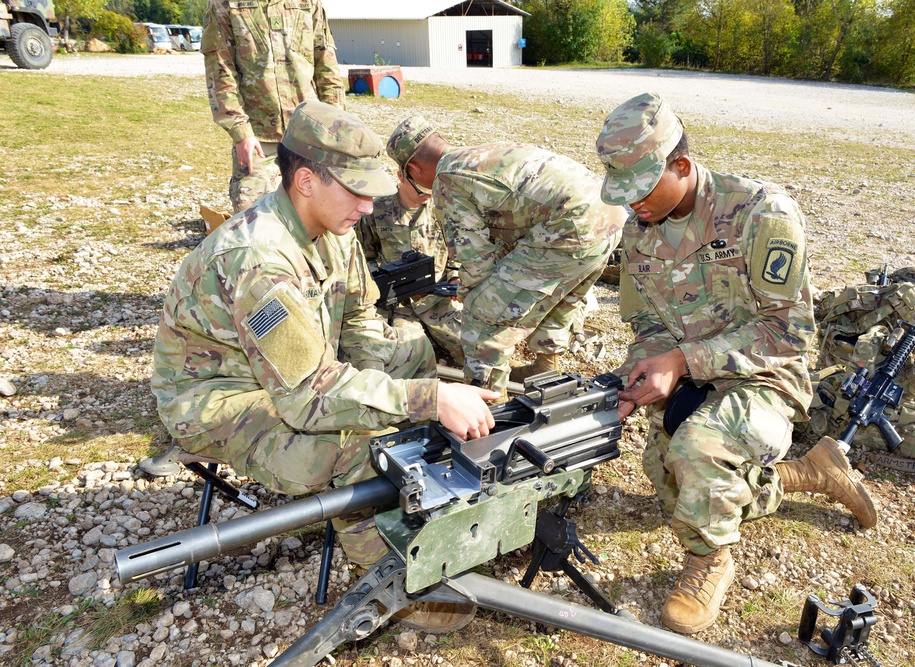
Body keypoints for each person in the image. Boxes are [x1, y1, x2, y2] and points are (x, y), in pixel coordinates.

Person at [151, 102, 496, 629]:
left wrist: (390, 381)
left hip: (295, 376)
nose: (368, 204)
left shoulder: (334, 231)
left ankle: (420, 500)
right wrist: (422, 399)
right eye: (357, 190)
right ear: (307, 181)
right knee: (361, 446)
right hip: (222, 400)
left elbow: (358, 314)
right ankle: (392, 577)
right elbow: (307, 398)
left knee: (413, 346)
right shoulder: (258, 259)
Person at [594, 93, 878, 634]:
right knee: (677, 485)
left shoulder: (760, 212)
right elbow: (647, 324)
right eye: (623, 194)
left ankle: (709, 564)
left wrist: (682, 359)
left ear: (681, 166)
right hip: (693, 373)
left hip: (767, 374)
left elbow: (787, 332)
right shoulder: (639, 231)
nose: (633, 206)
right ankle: (812, 473)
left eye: (642, 190)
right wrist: (641, 370)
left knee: (698, 453)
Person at [388, 115, 627, 394]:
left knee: (480, 313)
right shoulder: (482, 153)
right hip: (610, 216)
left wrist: (471, 294)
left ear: (414, 169)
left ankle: (488, 402)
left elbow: (475, 263)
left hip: (571, 226)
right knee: (558, 296)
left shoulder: (447, 179)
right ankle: (545, 370)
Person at [201, 0, 345, 212]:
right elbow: (221, 73)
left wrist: (334, 124)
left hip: (309, 131)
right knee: (250, 208)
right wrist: (241, 132)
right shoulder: (225, 4)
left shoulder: (308, 2)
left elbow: (327, 66)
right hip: (259, 136)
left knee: (324, 208)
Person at [356, 162, 464, 364]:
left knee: (473, 347)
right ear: (401, 176)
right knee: (407, 355)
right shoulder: (377, 211)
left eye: (431, 189)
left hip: (438, 298)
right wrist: (381, 281)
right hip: (398, 301)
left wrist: (455, 277)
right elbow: (364, 256)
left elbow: (457, 253)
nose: (428, 195)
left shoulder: (443, 209)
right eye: (422, 189)